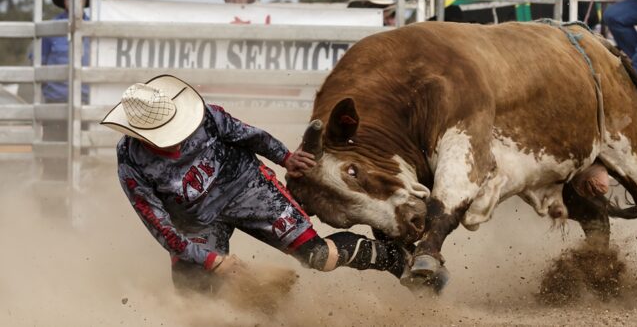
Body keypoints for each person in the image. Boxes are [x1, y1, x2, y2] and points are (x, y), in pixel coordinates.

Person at [100, 75, 409, 293]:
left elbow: (249, 135)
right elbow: (160, 226)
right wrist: (211, 261)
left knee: (319, 256)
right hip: (194, 221)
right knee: (194, 294)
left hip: (248, 188)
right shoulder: (131, 164)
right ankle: (261, 301)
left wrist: (285, 158)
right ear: (141, 136)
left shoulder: (204, 117)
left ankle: (399, 262)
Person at [37, 0, 91, 181]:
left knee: (87, 158)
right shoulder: (51, 29)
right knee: (54, 158)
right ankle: (52, 206)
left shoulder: (95, 28)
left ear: (85, 0)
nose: (75, 1)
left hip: (87, 106)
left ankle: (85, 204)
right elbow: (37, 64)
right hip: (56, 103)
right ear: (63, 1)